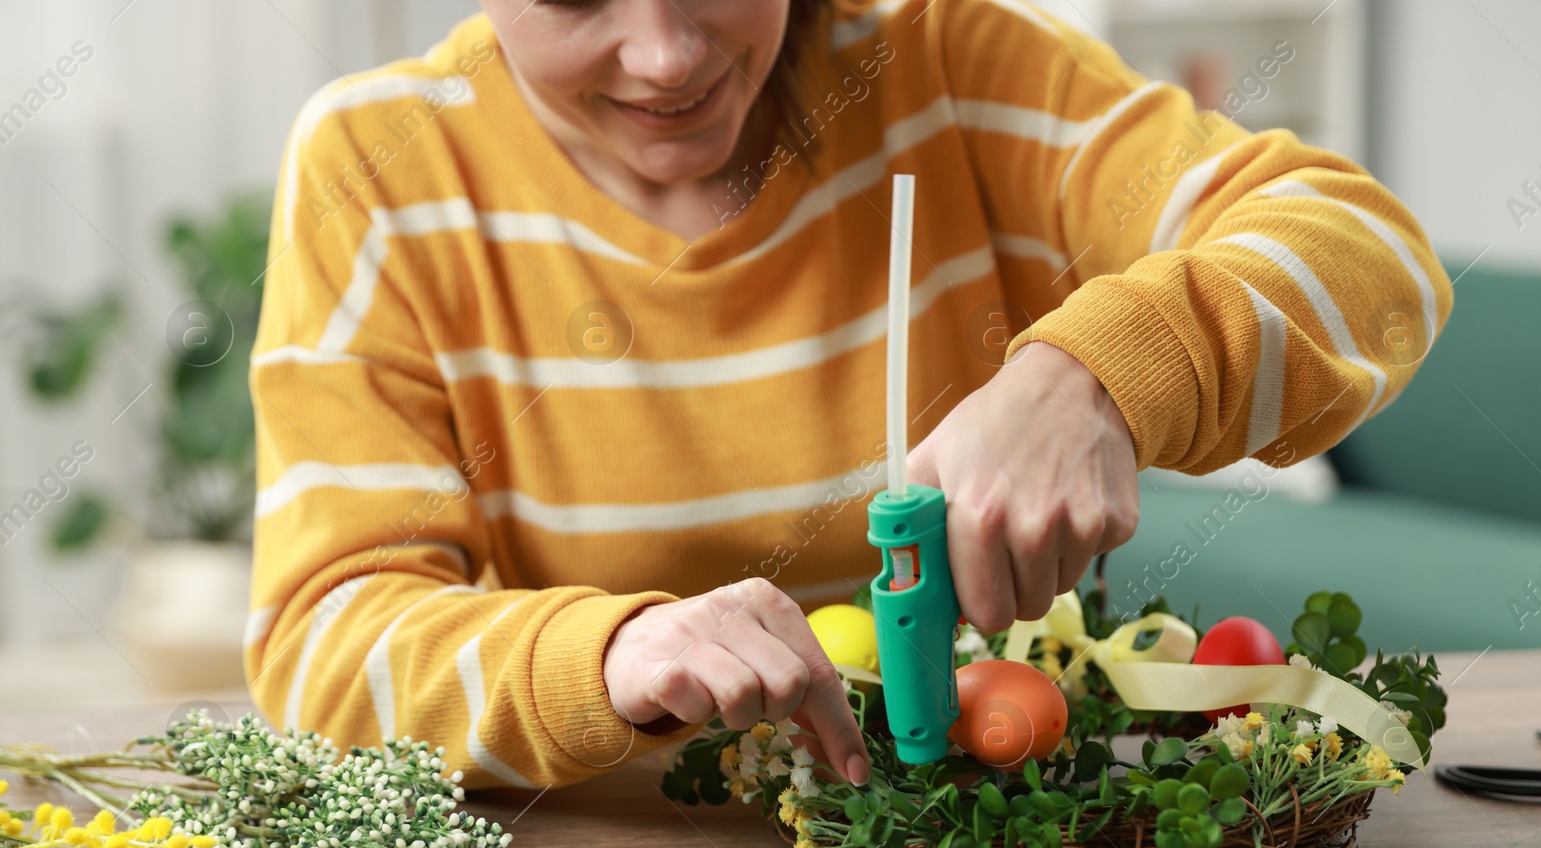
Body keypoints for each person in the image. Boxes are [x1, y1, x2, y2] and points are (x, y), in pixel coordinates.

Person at [245, 0, 1452, 792]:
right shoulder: (382, 166)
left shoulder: (942, 59)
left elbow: (1372, 254)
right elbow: (321, 648)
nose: (665, 57)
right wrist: (604, 653)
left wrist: (1094, 374)